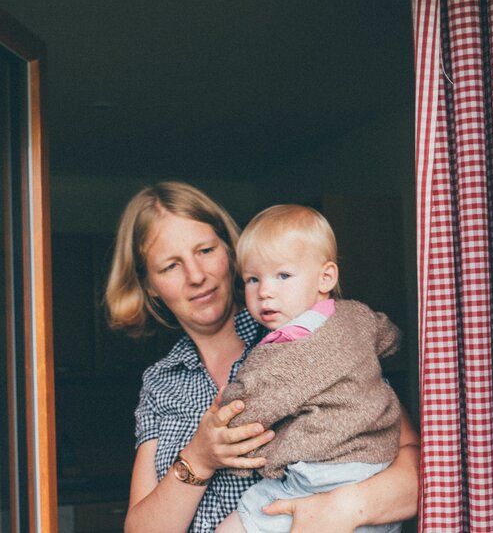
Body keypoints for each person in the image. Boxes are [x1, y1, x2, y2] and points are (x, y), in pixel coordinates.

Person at [105, 182, 419, 533]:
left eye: (206, 250)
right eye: (170, 266)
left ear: (230, 250)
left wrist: (342, 508)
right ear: (149, 284)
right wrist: (199, 458)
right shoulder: (161, 382)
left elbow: (416, 471)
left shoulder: (311, 331)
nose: (196, 276)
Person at [216, 205, 403, 533]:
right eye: (252, 279)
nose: (265, 291)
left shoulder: (283, 352)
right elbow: (391, 338)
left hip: (319, 482)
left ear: (326, 277)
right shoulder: (358, 316)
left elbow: (243, 415)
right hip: (377, 473)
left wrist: (224, 406)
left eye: (283, 275)